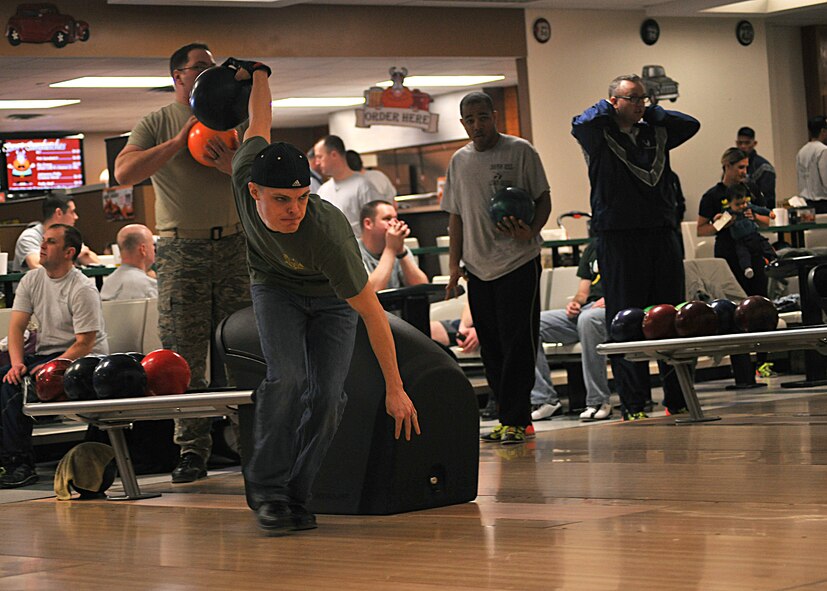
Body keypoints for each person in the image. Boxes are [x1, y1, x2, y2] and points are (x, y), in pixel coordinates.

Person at [228, 59, 419, 534]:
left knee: (330, 397)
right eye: (281, 200)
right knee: (288, 379)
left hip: (331, 300)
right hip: (275, 287)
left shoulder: (327, 235)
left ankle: (297, 493)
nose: (293, 210)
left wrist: (395, 388)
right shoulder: (244, 169)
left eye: (300, 198)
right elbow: (260, 122)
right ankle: (269, 491)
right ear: (254, 191)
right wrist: (259, 74)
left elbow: (373, 315)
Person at [114, 42, 251, 484]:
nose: (209, 71)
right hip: (181, 250)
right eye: (200, 67)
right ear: (178, 76)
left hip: (233, 245)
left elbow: (258, 174)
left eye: (213, 65)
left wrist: (233, 166)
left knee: (239, 350)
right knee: (183, 357)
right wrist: (176, 143)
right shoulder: (157, 122)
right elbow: (124, 173)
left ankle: (248, 444)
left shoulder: (234, 116)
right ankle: (192, 451)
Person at [572, 74, 699, 420]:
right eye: (633, 98)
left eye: (644, 98)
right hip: (619, 239)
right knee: (626, 321)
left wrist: (653, 112)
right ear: (614, 101)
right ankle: (635, 403)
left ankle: (678, 398)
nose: (641, 104)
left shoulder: (655, 133)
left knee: (671, 316)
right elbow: (579, 124)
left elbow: (691, 125)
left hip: (661, 235)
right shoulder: (599, 134)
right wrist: (610, 108)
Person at [443, 91, 552, 445]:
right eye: (470, 120)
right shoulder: (459, 161)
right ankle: (508, 417)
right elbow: (455, 218)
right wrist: (454, 266)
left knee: (518, 343)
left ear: (494, 116)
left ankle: (517, 419)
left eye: (483, 117)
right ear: (463, 124)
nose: (477, 125)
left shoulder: (521, 151)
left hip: (518, 262)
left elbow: (543, 199)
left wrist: (531, 231)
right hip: (478, 267)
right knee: (491, 347)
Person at [0, 224, 109, 488]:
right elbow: (16, 328)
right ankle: (8, 460)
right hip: (47, 355)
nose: (42, 246)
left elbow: (85, 343)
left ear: (69, 252)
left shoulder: (82, 288)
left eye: (50, 242)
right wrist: (16, 364)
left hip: (84, 361)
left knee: (17, 389)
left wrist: (50, 366)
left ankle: (20, 463)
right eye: (43, 240)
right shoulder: (31, 280)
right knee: (8, 377)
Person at [698, 148, 772, 388]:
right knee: (733, 310)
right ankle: (741, 368)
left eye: (746, 167)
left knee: (760, 305)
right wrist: (721, 223)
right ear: (727, 166)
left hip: (753, 253)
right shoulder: (712, 195)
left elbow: (766, 220)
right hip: (728, 256)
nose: (744, 172)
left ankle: (763, 362)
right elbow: (701, 229)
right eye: (740, 167)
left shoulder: (751, 190)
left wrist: (753, 216)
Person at [536, 239, 613, 421]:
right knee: (533, 323)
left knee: (588, 320)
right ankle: (544, 400)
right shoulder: (593, 247)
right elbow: (583, 293)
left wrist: (612, 298)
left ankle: (598, 400)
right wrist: (575, 303)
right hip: (588, 309)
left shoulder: (625, 246)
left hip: (612, 310)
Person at [314, 135, 383, 237]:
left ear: (334, 155)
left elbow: (375, 223)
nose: (317, 163)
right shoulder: (323, 190)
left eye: (320, 157)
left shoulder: (363, 186)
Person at [13, 195, 100, 272]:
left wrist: (76, 253)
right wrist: (70, 254)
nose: (76, 217)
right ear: (59, 213)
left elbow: (95, 262)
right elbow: (37, 265)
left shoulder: (69, 236)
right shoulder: (29, 237)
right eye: (72, 212)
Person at [358, 200, 427, 291]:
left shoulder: (398, 247)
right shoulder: (353, 251)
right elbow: (371, 291)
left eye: (396, 218)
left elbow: (422, 287)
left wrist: (401, 252)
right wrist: (390, 249)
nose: (395, 224)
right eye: (387, 219)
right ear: (368, 224)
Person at [723, 183, 777, 279]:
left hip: (754, 235)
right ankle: (747, 268)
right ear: (729, 204)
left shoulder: (748, 207)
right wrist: (721, 220)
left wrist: (769, 213)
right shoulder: (729, 214)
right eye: (737, 204)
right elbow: (719, 222)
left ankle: (774, 259)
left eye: (743, 203)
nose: (741, 206)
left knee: (765, 245)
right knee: (743, 254)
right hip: (741, 240)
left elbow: (759, 209)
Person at [101, 224, 158, 301]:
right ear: (143, 249)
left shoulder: (108, 283)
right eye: (153, 245)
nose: (154, 250)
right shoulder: (148, 287)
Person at [736, 126, 776, 207]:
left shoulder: (764, 168)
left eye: (747, 143)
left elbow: (768, 200)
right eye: (740, 143)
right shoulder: (732, 165)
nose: (743, 146)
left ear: (754, 143)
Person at [796, 115, 827, 213]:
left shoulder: (802, 151)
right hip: (822, 202)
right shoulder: (823, 150)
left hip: (805, 202)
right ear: (823, 131)